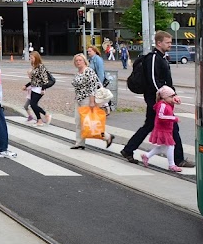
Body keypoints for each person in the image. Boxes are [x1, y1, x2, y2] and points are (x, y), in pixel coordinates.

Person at [120, 31, 194, 167]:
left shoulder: (162, 57)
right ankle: (179, 160)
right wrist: (166, 97)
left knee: (149, 125)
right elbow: (154, 80)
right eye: (168, 42)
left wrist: (173, 94)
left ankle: (128, 149)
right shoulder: (154, 58)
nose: (170, 45)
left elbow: (166, 81)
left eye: (170, 42)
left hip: (159, 99)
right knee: (172, 126)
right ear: (159, 43)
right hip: (157, 100)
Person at [71, 53, 113, 150]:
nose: (78, 62)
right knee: (78, 121)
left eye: (80, 60)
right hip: (78, 99)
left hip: (87, 99)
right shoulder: (78, 72)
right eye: (76, 61)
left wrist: (92, 101)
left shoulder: (89, 71)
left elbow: (92, 87)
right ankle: (79, 142)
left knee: (90, 123)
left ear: (84, 61)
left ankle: (107, 136)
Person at [140, 85, 182, 172]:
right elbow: (161, 116)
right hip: (162, 129)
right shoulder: (162, 105)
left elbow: (170, 110)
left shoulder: (167, 104)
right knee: (171, 146)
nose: (173, 98)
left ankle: (147, 156)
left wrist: (175, 102)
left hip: (166, 129)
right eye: (171, 96)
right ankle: (172, 165)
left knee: (163, 147)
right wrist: (174, 119)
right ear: (165, 97)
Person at [25, 51, 52, 126]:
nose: (31, 59)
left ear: (36, 58)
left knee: (33, 104)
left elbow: (45, 79)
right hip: (34, 87)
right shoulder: (34, 66)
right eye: (30, 58)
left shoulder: (41, 66)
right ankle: (39, 120)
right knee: (33, 104)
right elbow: (33, 79)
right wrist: (27, 85)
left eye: (32, 58)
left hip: (39, 88)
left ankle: (46, 114)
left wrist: (43, 89)